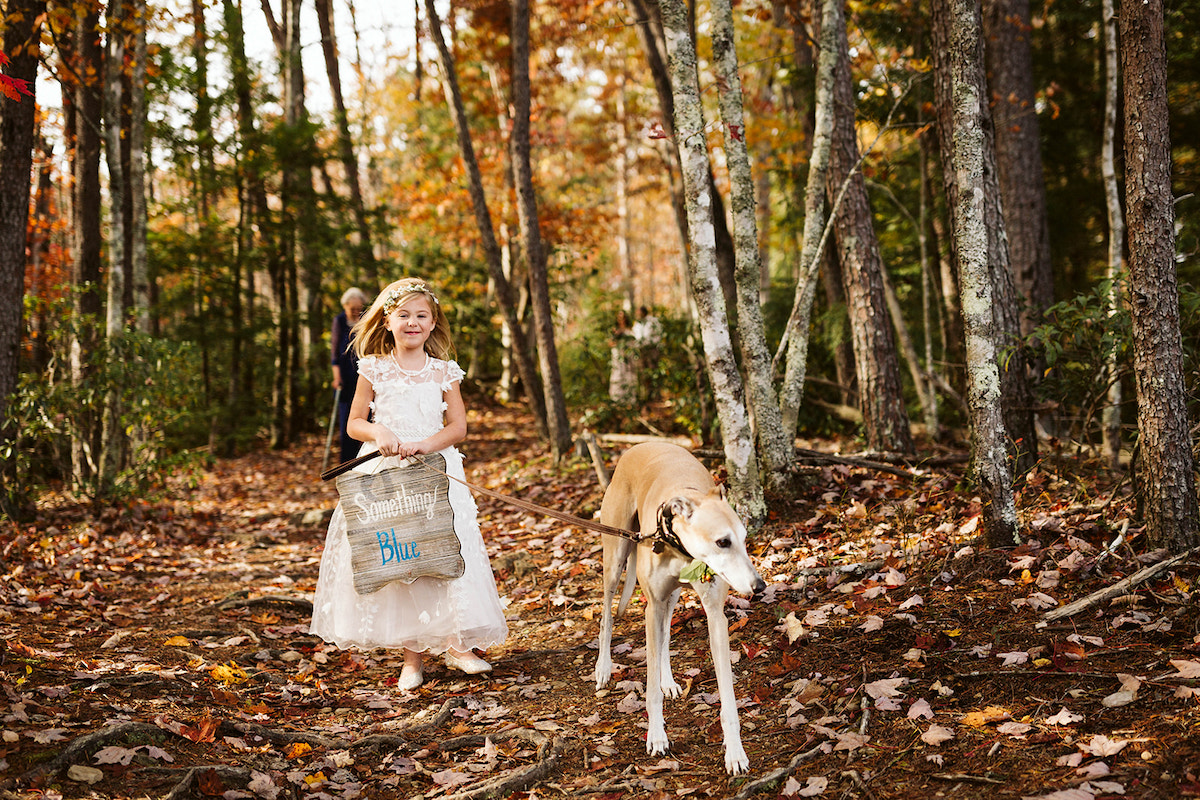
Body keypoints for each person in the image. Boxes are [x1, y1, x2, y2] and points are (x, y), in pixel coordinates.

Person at [310, 277, 508, 690]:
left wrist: (424, 445)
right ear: (387, 320)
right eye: (404, 315)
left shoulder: (443, 371)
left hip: (437, 471)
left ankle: (456, 644)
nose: (412, 323)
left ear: (433, 324)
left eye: (421, 316)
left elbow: (458, 427)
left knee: (445, 554)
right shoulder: (374, 367)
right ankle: (411, 658)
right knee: (402, 559)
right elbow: (354, 422)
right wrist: (379, 432)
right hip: (387, 477)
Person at [331, 288, 368, 464]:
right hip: (346, 378)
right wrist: (336, 377)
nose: (355, 312)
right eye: (352, 308)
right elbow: (334, 354)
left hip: (365, 375)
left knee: (368, 419)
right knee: (347, 422)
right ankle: (347, 464)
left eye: (358, 308)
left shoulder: (365, 319)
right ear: (345, 306)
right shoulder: (339, 321)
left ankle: (367, 460)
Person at [608, 309, 638, 404]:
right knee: (618, 374)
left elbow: (634, 341)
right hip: (618, 355)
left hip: (628, 355)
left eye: (623, 317)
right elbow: (610, 343)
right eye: (619, 317)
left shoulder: (630, 329)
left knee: (629, 374)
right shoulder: (614, 329)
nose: (621, 319)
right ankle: (617, 398)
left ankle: (630, 398)